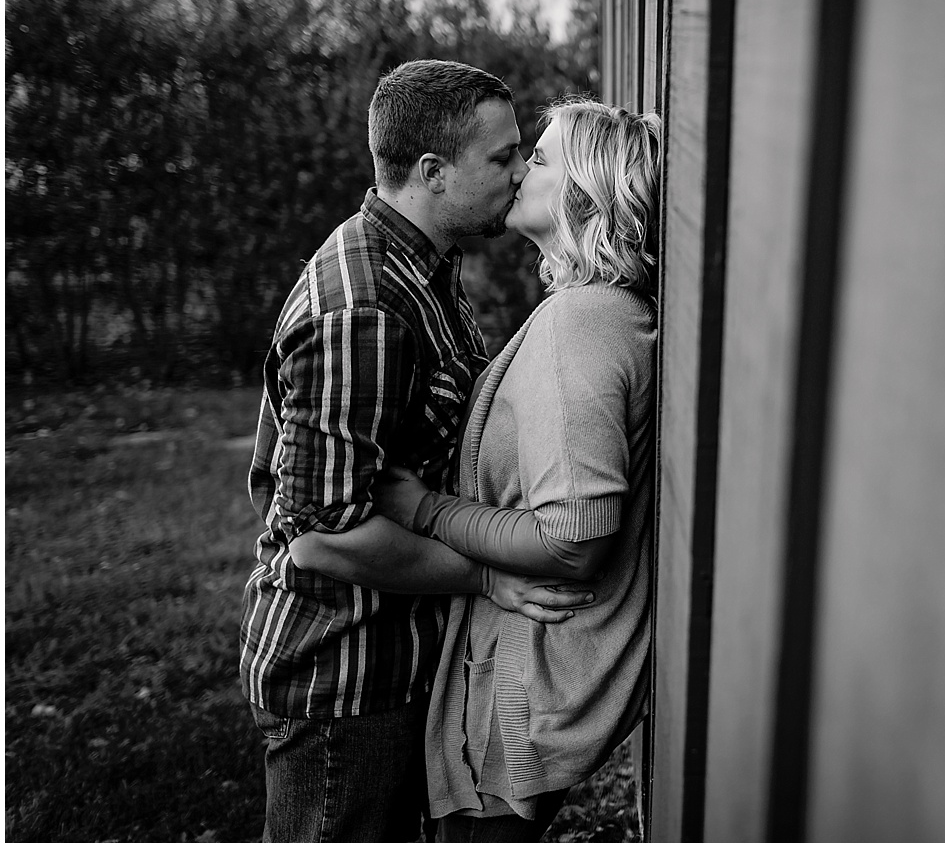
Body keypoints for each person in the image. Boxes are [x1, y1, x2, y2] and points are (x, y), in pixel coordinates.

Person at [238, 59, 592, 842]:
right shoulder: (364, 307)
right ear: (433, 172)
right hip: (344, 678)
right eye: (501, 158)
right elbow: (324, 540)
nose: (518, 171)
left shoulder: (422, 263)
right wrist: (488, 575)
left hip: (397, 661)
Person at [372, 100, 662, 841]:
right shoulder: (587, 310)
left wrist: (425, 509)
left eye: (540, 156)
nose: (519, 169)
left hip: (525, 693)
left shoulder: (584, 324)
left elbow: (576, 537)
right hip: (520, 681)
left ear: (587, 190)